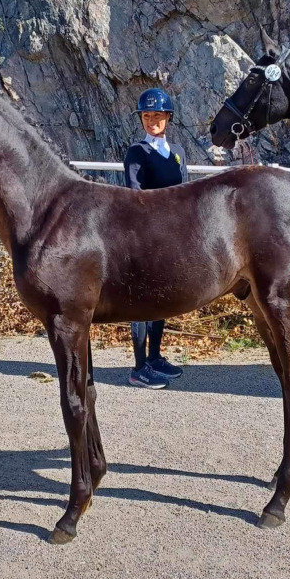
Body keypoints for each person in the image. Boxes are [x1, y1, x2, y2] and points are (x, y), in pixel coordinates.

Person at [122, 88, 189, 389]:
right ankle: (138, 368)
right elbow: (135, 195)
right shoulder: (137, 152)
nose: (152, 121)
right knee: (141, 301)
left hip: (170, 235)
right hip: (145, 235)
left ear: (167, 118)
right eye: (147, 116)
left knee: (161, 299)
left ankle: (155, 357)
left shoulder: (177, 153)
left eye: (157, 116)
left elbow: (186, 192)